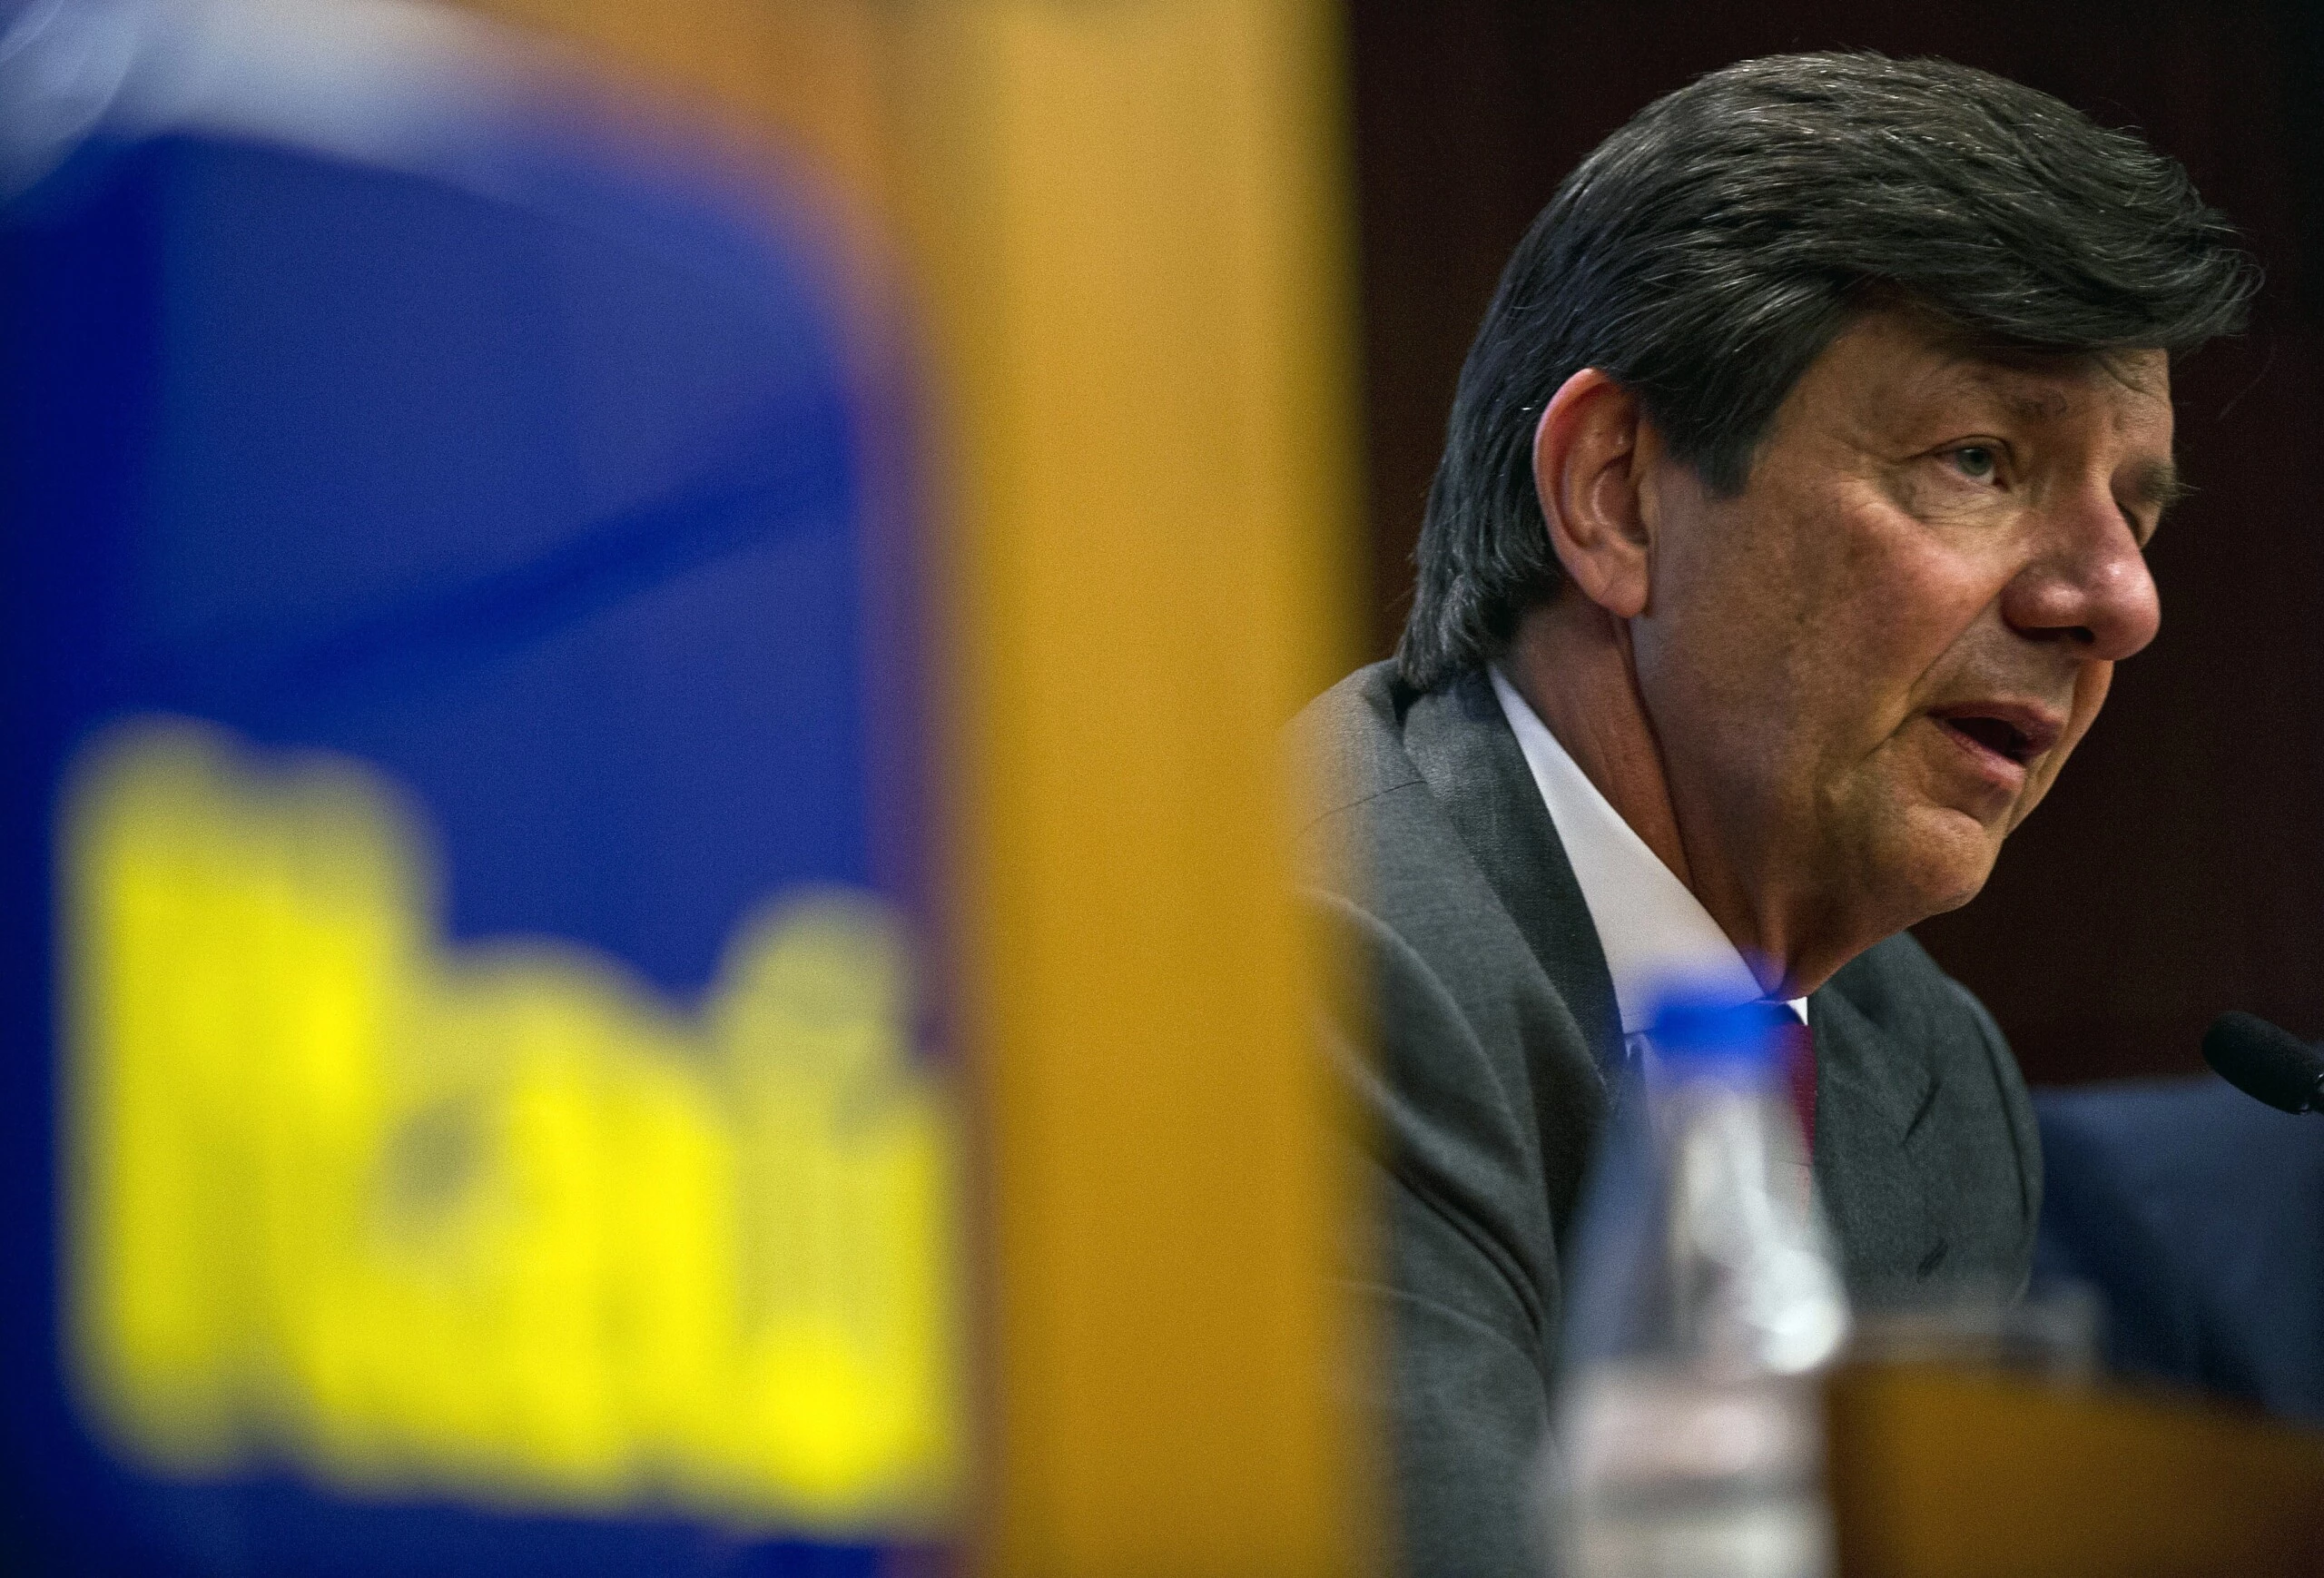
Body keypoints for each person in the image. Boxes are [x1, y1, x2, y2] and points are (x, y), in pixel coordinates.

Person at [1294, 52, 2256, 1575]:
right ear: (1618, 496)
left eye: (2133, 510)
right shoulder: (1322, 958)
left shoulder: (1928, 1069)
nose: (2116, 602)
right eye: (1981, 461)